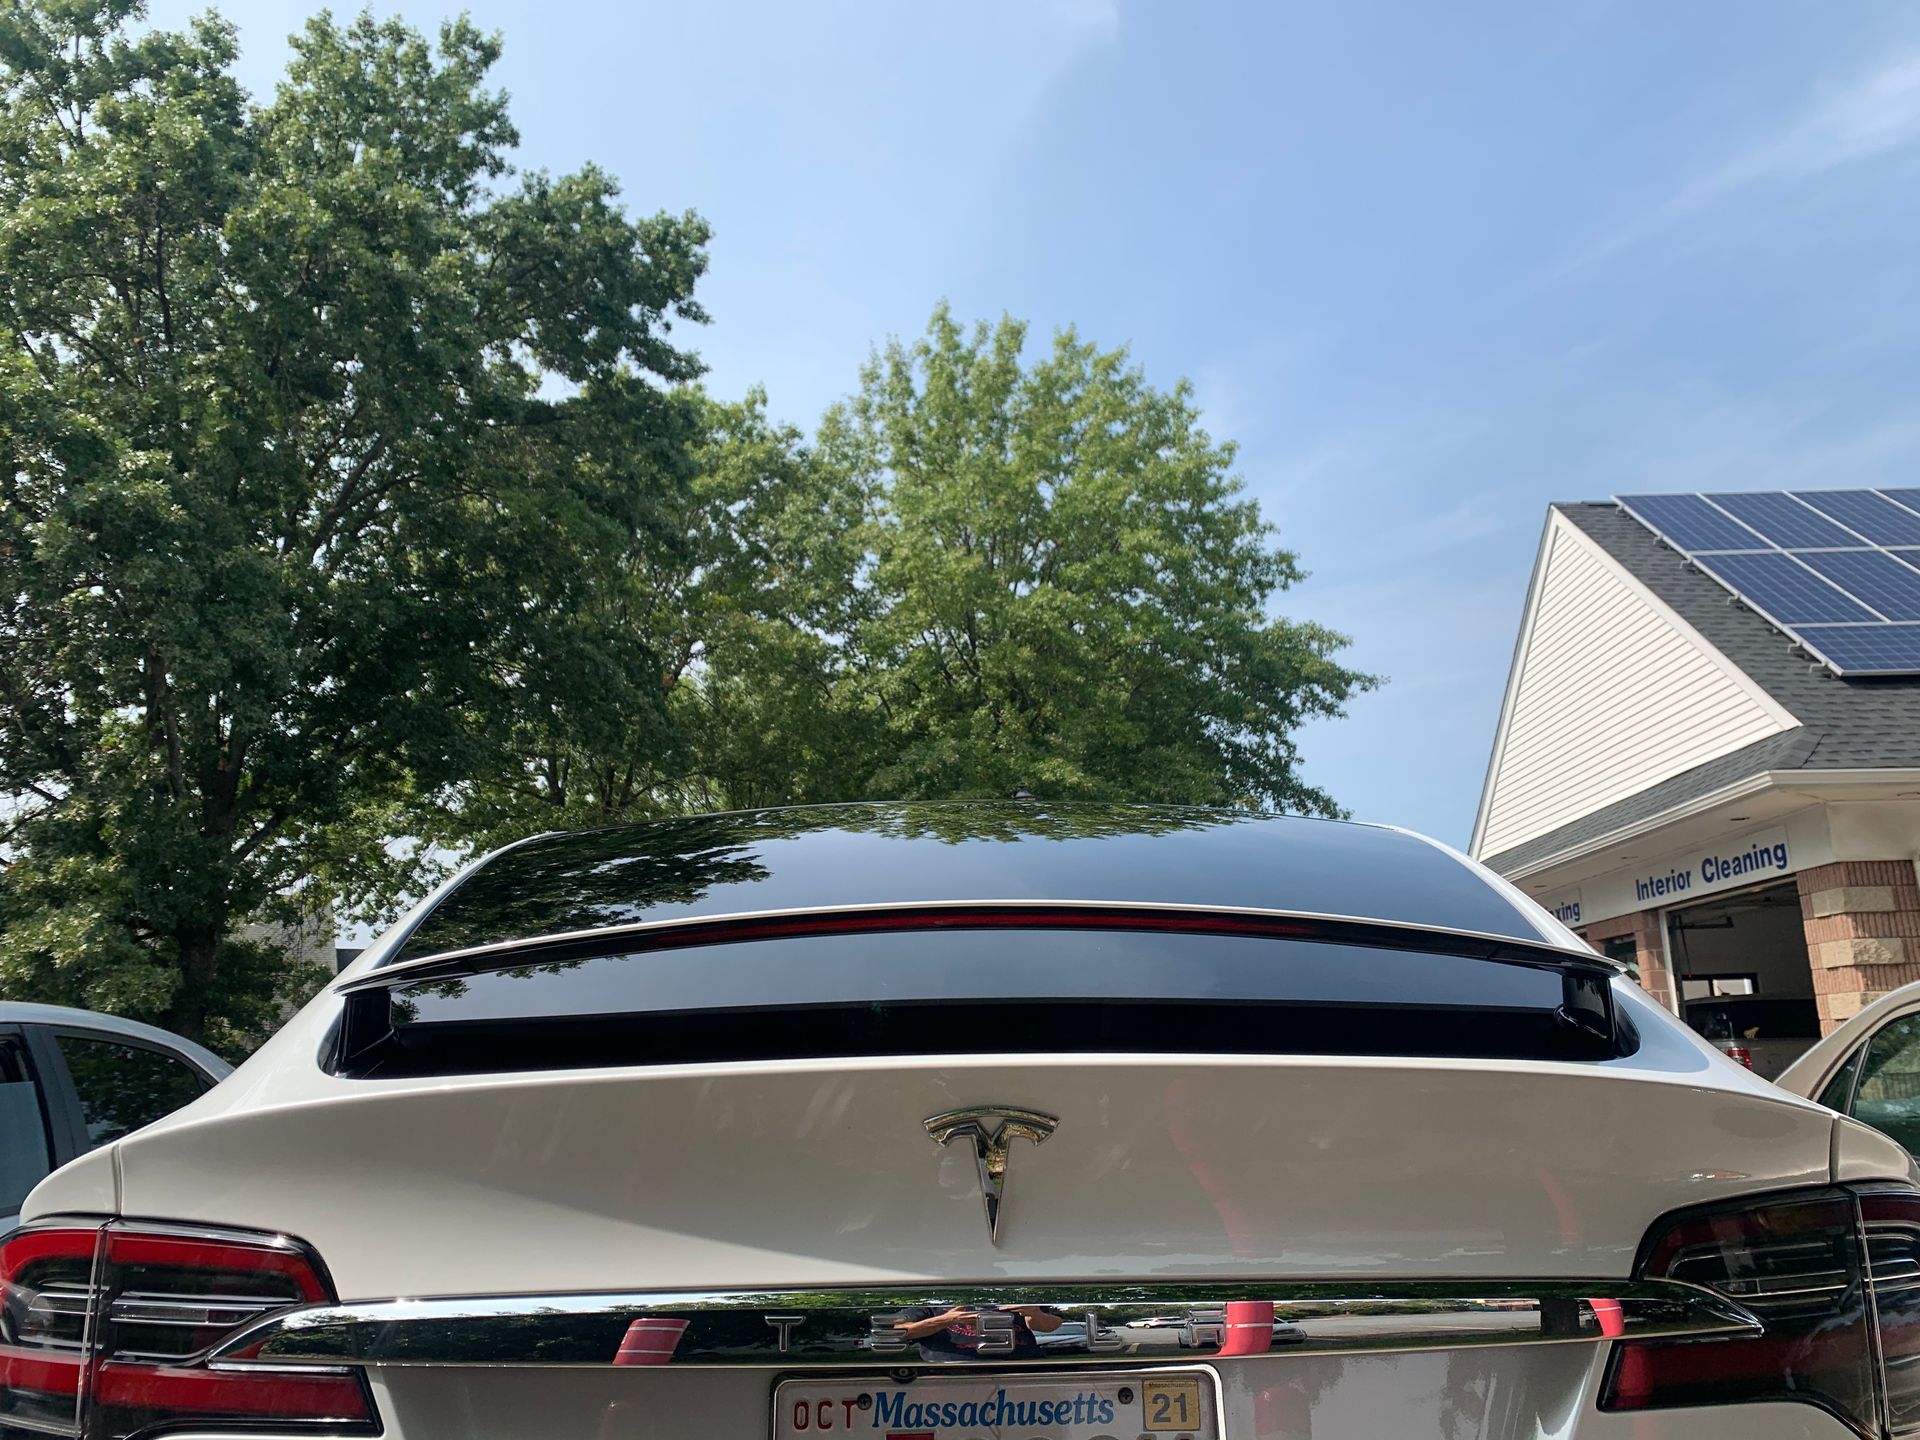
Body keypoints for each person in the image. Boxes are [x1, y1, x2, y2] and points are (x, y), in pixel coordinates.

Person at [882, 1304, 1062, 1361]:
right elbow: (898, 1332)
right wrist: (949, 1319)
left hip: (1024, 1376)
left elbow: (1051, 1325)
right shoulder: (930, 1303)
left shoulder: (1014, 1295)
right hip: (951, 1380)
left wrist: (1034, 1313)